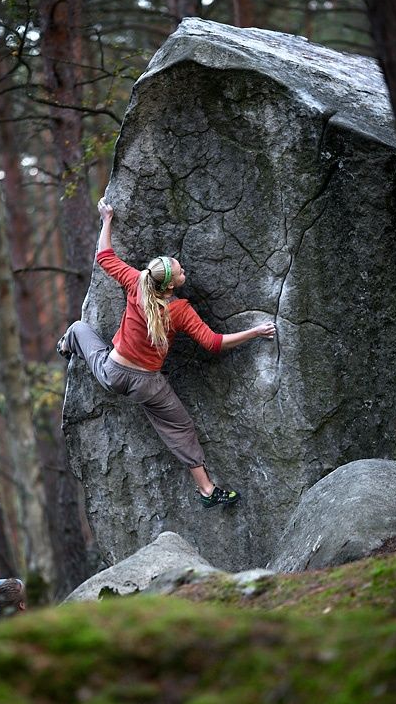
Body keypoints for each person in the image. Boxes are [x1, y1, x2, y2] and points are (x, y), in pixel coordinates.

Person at [57, 198, 276, 509]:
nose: (183, 270)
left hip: (111, 372)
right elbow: (214, 343)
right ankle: (207, 491)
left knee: (79, 329)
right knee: (180, 427)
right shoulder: (180, 311)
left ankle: (66, 346)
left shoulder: (136, 282)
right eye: (180, 270)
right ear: (171, 285)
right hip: (147, 385)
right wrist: (256, 332)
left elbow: (104, 256)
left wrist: (106, 219)